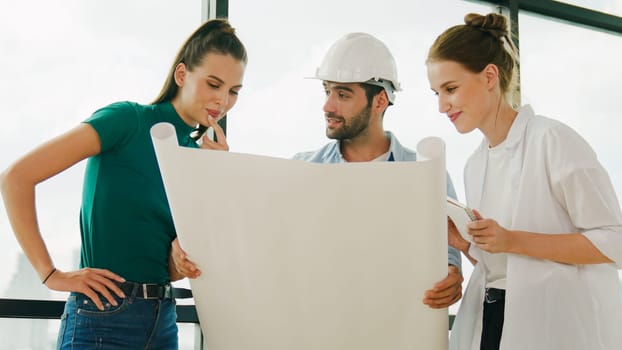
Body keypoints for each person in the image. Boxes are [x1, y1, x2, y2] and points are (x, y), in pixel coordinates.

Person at [0, 18, 247, 349]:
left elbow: (173, 268)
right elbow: (16, 177)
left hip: (164, 321)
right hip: (104, 318)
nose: (223, 101)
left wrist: (213, 179)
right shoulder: (127, 121)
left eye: (233, 91)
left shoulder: (196, 157)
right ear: (182, 75)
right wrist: (51, 274)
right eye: (213, 84)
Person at [426, 12, 622, 350]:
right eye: (436, 93)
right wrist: (469, 245)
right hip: (495, 319)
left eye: (451, 89)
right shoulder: (475, 164)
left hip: (559, 326)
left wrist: (511, 239)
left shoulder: (553, 140)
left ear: (489, 76)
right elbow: (503, 263)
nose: (443, 105)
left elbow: (613, 241)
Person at [293, 32, 464, 309]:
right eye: (327, 91)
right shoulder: (301, 170)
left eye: (343, 94)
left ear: (380, 101)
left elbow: (448, 259)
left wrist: (453, 276)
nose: (328, 106)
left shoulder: (426, 174)